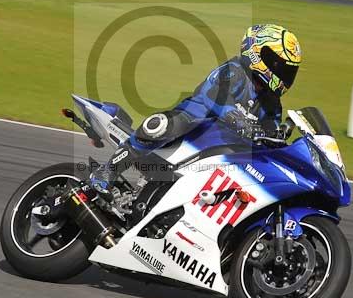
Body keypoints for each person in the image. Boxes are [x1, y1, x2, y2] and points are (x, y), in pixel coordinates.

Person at [90, 24, 302, 199]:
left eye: (288, 69)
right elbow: (214, 94)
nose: (283, 73)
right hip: (195, 125)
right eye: (278, 64)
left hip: (225, 150)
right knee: (162, 126)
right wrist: (235, 117)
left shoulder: (271, 103)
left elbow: (270, 129)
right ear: (256, 53)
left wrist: (278, 138)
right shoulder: (235, 71)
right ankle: (108, 171)